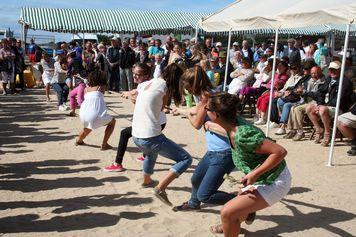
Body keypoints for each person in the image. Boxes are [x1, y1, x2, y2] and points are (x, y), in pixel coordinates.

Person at [205, 93, 291, 236]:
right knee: (234, 210)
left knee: (227, 212)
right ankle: (231, 224)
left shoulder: (243, 135)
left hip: (274, 181)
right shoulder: (230, 123)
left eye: (206, 108)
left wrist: (254, 173)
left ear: (215, 115)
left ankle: (230, 223)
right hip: (260, 178)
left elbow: (280, 152)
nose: (204, 110)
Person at [172, 66, 236, 214]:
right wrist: (183, 110)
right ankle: (194, 203)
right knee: (196, 179)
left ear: (194, 84)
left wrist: (187, 115)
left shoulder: (205, 97)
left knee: (206, 195)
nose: (186, 89)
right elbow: (197, 110)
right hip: (214, 150)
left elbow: (196, 124)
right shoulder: (210, 93)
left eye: (187, 86)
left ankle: (244, 204)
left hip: (224, 152)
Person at [132, 63, 192, 206]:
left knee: (151, 153)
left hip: (136, 135)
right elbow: (161, 109)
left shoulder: (150, 82)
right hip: (149, 136)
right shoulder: (165, 87)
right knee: (185, 159)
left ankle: (146, 181)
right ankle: (160, 188)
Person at [104, 63, 167, 172]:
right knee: (146, 138)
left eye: (138, 74)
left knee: (125, 133)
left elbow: (142, 99)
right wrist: (131, 97)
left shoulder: (145, 85)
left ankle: (117, 163)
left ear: (146, 75)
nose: (134, 76)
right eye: (134, 74)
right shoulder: (146, 84)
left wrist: (129, 95)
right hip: (157, 121)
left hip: (155, 122)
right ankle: (145, 155)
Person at [306, 61, 353, 146]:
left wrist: (323, 106)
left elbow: (340, 99)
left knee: (323, 109)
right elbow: (320, 92)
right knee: (309, 107)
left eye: (334, 70)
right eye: (330, 70)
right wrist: (320, 103)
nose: (332, 72)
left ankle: (327, 132)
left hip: (340, 108)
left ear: (340, 70)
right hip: (327, 106)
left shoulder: (345, 82)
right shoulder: (329, 78)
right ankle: (318, 129)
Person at [76, 69, 116, 150]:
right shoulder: (101, 87)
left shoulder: (86, 89)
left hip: (83, 113)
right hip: (94, 114)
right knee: (112, 122)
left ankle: (79, 140)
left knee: (88, 128)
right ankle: (104, 144)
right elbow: (102, 93)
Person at [284, 66, 325, 141]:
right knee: (293, 107)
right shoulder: (309, 81)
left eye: (315, 73)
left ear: (320, 72)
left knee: (297, 109)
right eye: (312, 73)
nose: (313, 75)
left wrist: (304, 92)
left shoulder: (323, 82)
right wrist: (299, 92)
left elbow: (317, 95)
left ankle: (300, 132)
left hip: (316, 103)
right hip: (307, 101)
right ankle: (293, 129)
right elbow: (304, 93)